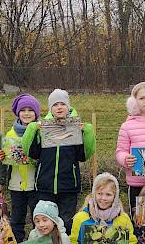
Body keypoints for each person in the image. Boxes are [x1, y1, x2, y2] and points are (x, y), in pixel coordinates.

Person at [22, 89, 96, 234]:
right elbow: (31, 152)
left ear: (68, 107)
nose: (59, 107)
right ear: (51, 108)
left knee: (66, 223)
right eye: (55, 105)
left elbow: (84, 155)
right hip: (45, 186)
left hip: (68, 186)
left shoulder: (76, 127)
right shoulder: (42, 127)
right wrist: (32, 129)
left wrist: (87, 131)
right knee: (44, 223)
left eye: (63, 104)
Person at [0, 94, 40, 242]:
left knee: (37, 217)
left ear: (36, 113)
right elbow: (9, 156)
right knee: (17, 219)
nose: (27, 113)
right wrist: (4, 156)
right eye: (23, 110)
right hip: (16, 185)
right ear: (18, 113)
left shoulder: (40, 131)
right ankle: (18, 240)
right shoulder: (10, 133)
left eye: (30, 110)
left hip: (35, 184)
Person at [70, 173, 136, 244]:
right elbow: (73, 241)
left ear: (115, 196)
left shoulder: (123, 219)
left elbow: (132, 241)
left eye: (108, 194)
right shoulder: (80, 218)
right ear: (94, 194)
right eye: (100, 193)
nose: (103, 198)